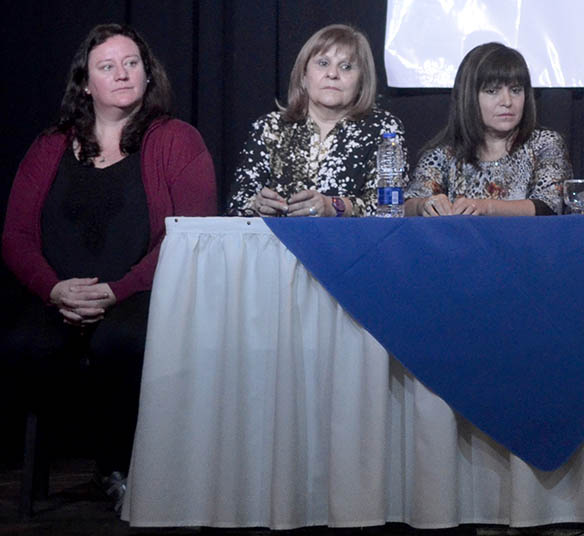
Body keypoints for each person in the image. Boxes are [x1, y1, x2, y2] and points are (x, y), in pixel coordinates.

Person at [1, 23, 216, 511]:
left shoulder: (177, 140)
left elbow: (190, 236)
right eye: (107, 66)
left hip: (142, 293)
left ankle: (117, 465)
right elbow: (14, 237)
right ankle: (40, 476)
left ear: (147, 73)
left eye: (131, 63)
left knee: (122, 340)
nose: (122, 74)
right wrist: (55, 290)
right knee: (24, 342)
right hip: (58, 296)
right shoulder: (50, 146)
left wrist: (118, 291)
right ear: (85, 83)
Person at [227, 24, 407, 217]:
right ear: (303, 76)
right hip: (276, 243)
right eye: (323, 63)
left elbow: (390, 208)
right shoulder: (270, 127)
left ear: (361, 82)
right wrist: (258, 205)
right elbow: (237, 204)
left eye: (346, 67)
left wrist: (334, 206)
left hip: (349, 245)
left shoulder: (384, 128)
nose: (332, 74)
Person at [405, 42, 571, 217]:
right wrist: (422, 205)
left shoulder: (545, 144)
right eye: (492, 91)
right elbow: (406, 206)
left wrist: (486, 207)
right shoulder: (444, 153)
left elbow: (550, 206)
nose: (507, 101)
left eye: (515, 90)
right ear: (468, 97)